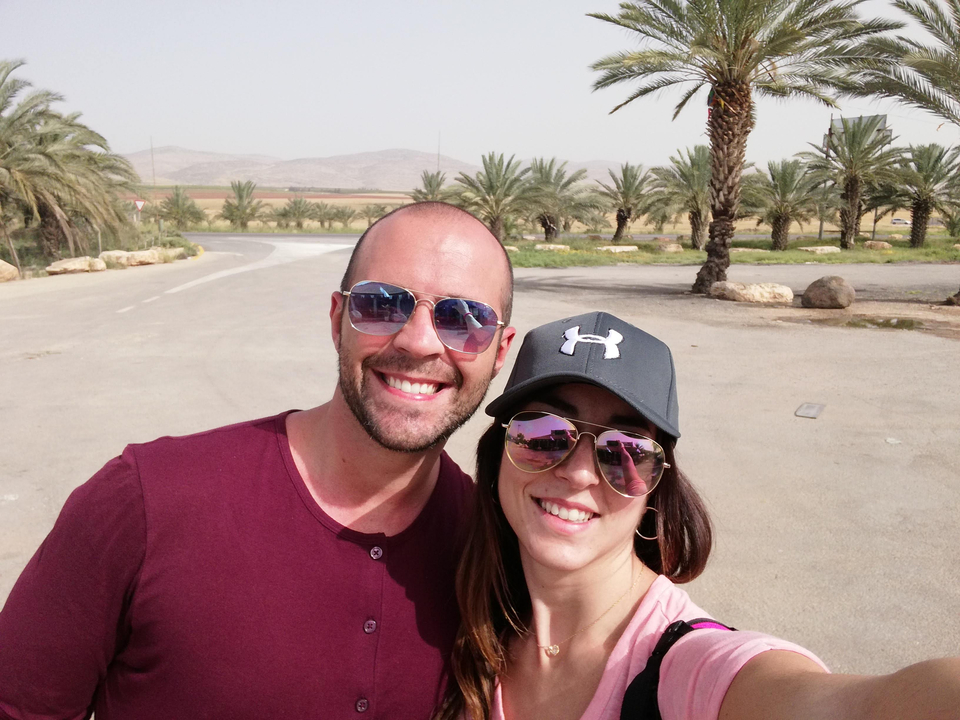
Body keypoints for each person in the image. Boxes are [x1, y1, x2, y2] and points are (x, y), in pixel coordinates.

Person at [0, 202, 517, 719]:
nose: (418, 340)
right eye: (382, 304)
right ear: (338, 320)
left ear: (499, 351)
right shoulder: (145, 501)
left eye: (464, 318)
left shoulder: (495, 550)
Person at [436, 311, 960, 720]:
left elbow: (850, 706)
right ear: (497, 453)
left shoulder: (686, 667)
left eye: (623, 451)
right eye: (543, 433)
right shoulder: (473, 621)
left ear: (655, 488)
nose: (578, 474)